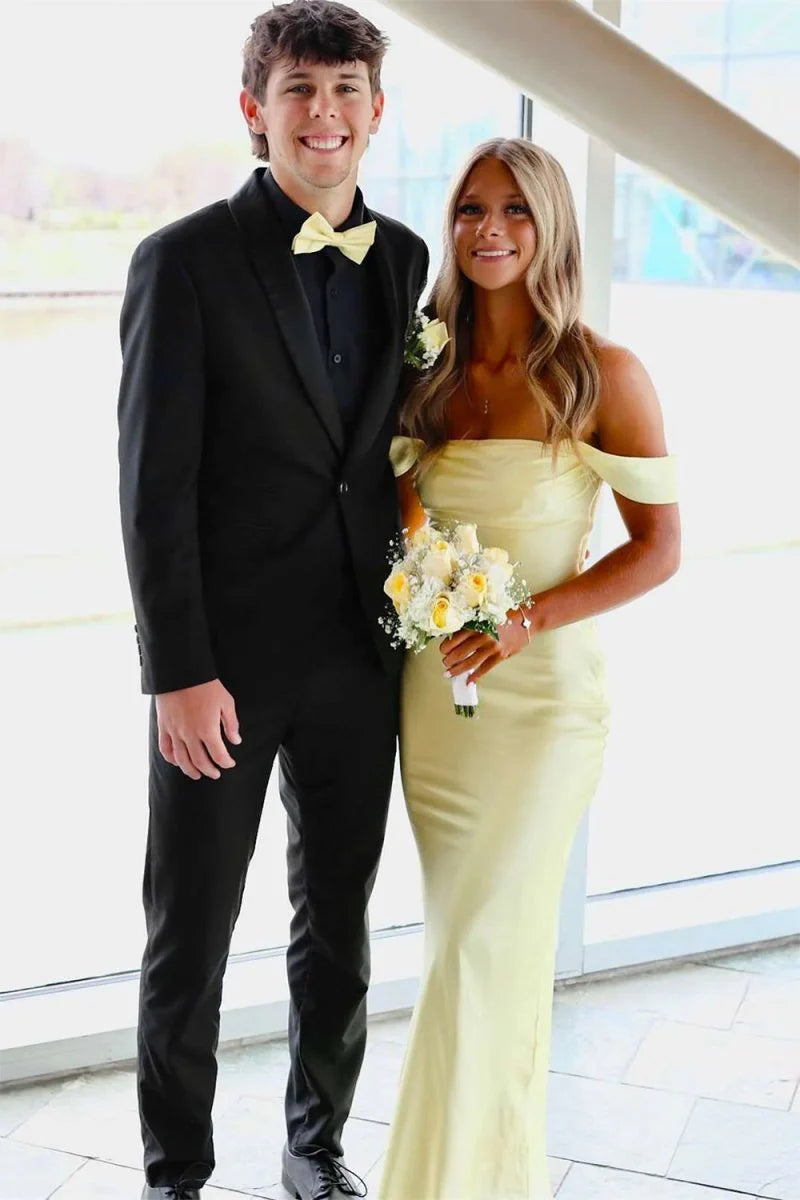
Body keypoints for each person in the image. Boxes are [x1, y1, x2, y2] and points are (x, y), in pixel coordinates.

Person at [116, 3, 428, 1197]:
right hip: (223, 670)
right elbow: (152, 489)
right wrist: (177, 672)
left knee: (337, 925)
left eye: (345, 90)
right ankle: (175, 1174)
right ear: (256, 109)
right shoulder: (182, 261)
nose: (323, 113)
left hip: (361, 657)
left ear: (375, 111)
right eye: (299, 89)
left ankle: (315, 1148)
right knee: (189, 934)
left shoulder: (404, 260)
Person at [381, 137, 680, 1200]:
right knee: (473, 949)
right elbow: (399, 522)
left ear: (550, 225)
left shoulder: (603, 373)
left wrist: (527, 619)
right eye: (471, 208)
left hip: (544, 707)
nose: (490, 228)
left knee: (476, 945)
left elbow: (658, 548)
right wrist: (423, 582)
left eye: (514, 209)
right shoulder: (422, 367)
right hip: (440, 705)